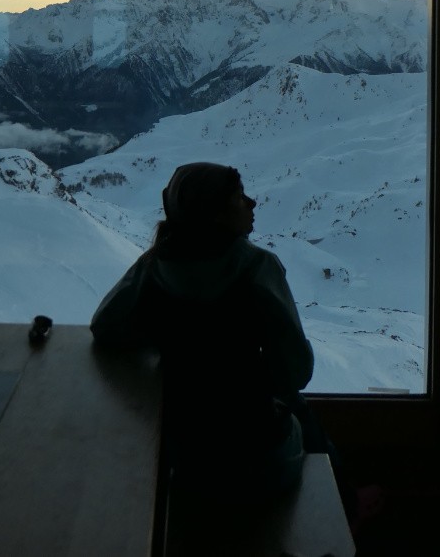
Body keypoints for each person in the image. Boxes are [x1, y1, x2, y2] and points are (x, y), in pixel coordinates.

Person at [90, 161, 316, 498]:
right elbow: (295, 371)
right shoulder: (257, 267)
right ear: (216, 214)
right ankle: (349, 505)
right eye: (240, 198)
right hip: (255, 460)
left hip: (180, 457)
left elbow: (105, 325)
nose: (252, 203)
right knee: (302, 418)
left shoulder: (154, 265)